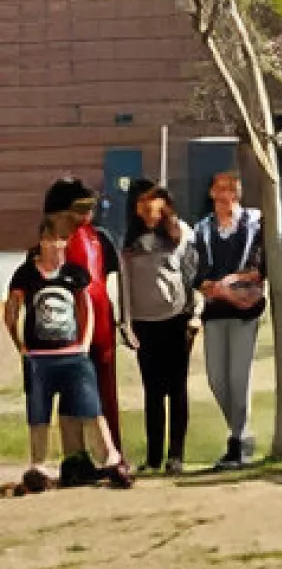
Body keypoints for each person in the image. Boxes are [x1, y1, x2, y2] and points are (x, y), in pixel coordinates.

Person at [6, 219, 134, 492]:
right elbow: (12, 308)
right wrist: (21, 345)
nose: (56, 246)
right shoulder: (26, 274)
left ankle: (111, 459)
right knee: (39, 414)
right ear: (41, 242)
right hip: (40, 356)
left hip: (73, 353)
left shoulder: (74, 273)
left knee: (92, 410)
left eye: (60, 240)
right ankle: (38, 465)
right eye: (50, 240)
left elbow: (85, 306)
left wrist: (84, 341)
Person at [119, 184, 199, 475]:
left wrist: (195, 315)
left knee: (177, 389)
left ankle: (175, 456)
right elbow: (125, 284)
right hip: (144, 323)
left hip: (176, 319)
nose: (146, 210)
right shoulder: (130, 240)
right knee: (152, 391)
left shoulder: (182, 233)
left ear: (164, 203)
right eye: (140, 204)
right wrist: (126, 323)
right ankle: (153, 457)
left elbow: (193, 275)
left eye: (150, 202)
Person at [191, 170, 267, 470]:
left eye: (231, 189)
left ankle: (239, 442)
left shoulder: (254, 224)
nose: (226, 195)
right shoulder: (203, 229)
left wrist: (231, 283)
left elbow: (258, 267)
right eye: (220, 189)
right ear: (212, 193)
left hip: (245, 311)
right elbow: (198, 273)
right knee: (217, 379)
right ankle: (241, 433)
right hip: (216, 311)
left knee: (238, 377)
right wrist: (217, 290)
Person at [44, 178, 123, 456]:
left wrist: (123, 320)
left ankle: (111, 452)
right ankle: (76, 455)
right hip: (67, 325)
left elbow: (113, 280)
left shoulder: (99, 238)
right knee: (72, 391)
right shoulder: (50, 243)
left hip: (100, 321)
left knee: (104, 390)